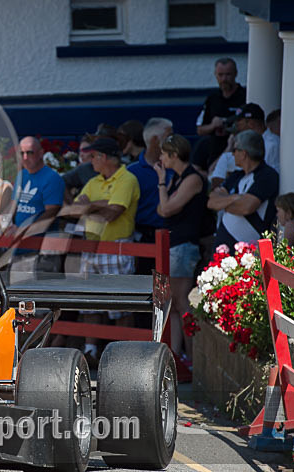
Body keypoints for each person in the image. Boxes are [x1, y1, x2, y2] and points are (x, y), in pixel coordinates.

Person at [59, 136, 140, 364]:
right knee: (90, 302)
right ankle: (91, 351)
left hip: (116, 248)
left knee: (121, 305)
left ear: (104, 157)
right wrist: (101, 204)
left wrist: (91, 205)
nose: (89, 160)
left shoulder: (128, 179)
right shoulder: (95, 181)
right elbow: (75, 208)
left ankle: (125, 355)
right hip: (92, 247)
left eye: (93, 156)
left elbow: (114, 211)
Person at [155, 135, 207, 359]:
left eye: (163, 154)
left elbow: (166, 209)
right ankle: (177, 356)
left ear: (174, 155)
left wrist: (161, 182)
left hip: (183, 246)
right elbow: (162, 208)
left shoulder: (192, 178)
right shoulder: (178, 178)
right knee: (173, 304)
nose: (160, 159)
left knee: (181, 300)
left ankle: (194, 357)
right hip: (173, 245)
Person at [0, 137, 65, 275]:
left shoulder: (52, 178)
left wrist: (22, 228)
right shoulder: (21, 175)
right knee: (17, 291)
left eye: (30, 153)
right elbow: (12, 207)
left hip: (41, 250)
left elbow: (51, 213)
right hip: (19, 248)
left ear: (41, 153)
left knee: (37, 293)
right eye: (22, 154)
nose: (25, 157)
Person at [208, 130, 279, 248]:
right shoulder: (237, 175)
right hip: (223, 250)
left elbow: (247, 207)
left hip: (249, 253)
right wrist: (236, 197)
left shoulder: (267, 176)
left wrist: (224, 203)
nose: (232, 154)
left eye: (234, 150)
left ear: (244, 153)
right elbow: (211, 202)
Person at [192, 58, 246, 171]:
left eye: (228, 75)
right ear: (215, 75)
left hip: (238, 148)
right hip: (214, 147)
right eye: (220, 75)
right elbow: (199, 129)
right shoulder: (212, 99)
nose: (224, 79)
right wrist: (213, 125)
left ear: (236, 74)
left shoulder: (245, 96)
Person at [126, 117, 174, 245]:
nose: (174, 141)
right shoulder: (131, 172)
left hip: (173, 235)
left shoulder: (176, 168)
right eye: (169, 136)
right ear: (154, 140)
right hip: (142, 237)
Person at [209, 103, 279, 187]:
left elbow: (268, 177)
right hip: (242, 189)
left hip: (259, 192)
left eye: (239, 123)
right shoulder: (242, 143)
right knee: (226, 158)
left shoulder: (272, 144)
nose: (236, 127)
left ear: (251, 123)